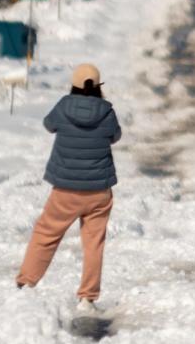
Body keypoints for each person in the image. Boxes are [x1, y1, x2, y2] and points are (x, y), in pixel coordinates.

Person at [16, 62, 122, 308]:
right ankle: (87, 296)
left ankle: (26, 282)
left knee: (46, 234)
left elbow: (48, 124)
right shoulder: (107, 111)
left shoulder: (64, 106)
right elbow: (115, 136)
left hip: (65, 189)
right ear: (98, 87)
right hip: (99, 191)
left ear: (73, 85)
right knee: (94, 242)